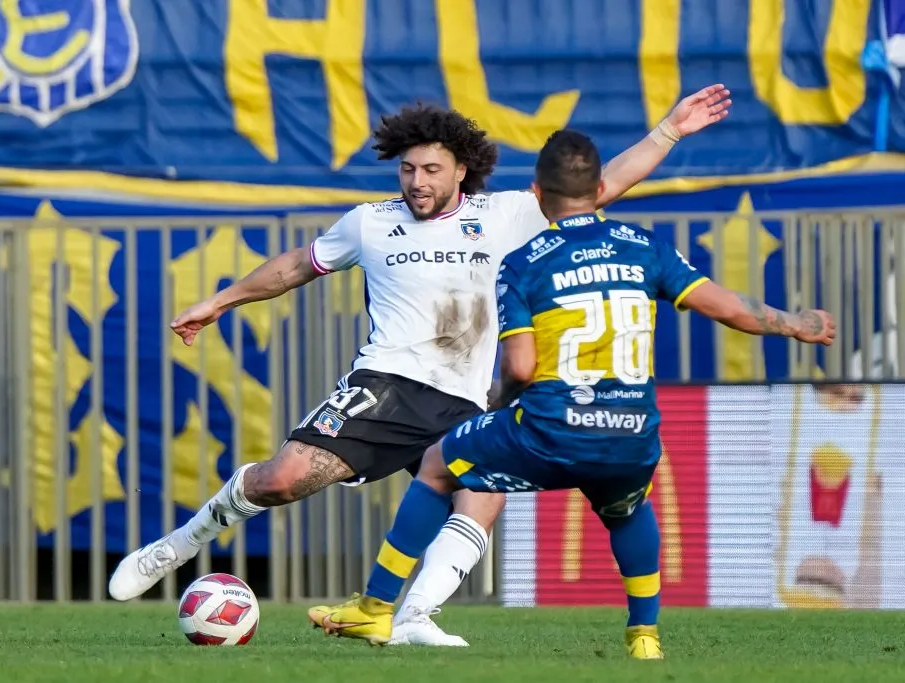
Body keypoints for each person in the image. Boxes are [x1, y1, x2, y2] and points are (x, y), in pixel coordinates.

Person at [108, 88, 733, 647]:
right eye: (407, 168)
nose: (416, 180)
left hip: (470, 399)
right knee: (281, 480)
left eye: (431, 168)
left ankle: (413, 618)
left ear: (462, 170)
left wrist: (669, 132)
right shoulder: (370, 223)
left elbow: (602, 186)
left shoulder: (506, 215)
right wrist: (219, 300)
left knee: (481, 496)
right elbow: (296, 265)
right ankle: (175, 547)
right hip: (388, 387)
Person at [308, 129, 836, 657]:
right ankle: (645, 636)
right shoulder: (645, 247)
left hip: (549, 430)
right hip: (631, 431)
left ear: (537, 192)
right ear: (600, 185)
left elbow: (520, 366)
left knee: (437, 464)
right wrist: (795, 323)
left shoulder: (526, 260)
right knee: (628, 510)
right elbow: (729, 308)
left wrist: (499, 400)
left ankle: (376, 609)